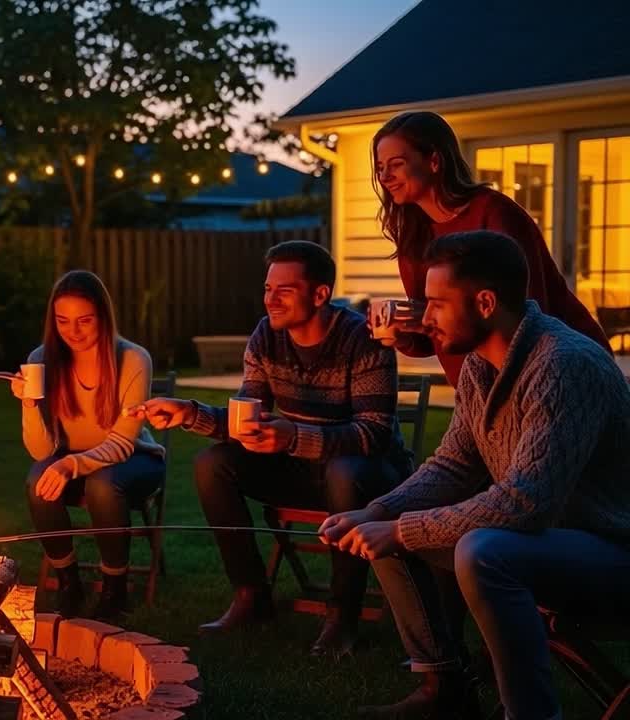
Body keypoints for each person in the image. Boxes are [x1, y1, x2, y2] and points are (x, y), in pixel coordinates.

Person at [322, 230, 630, 720]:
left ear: (485, 302)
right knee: (383, 529)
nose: (424, 318)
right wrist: (377, 511)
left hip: (611, 549)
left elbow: (525, 503)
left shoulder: (563, 364)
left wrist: (402, 528)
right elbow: (455, 464)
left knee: (482, 550)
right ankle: (441, 684)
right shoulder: (480, 366)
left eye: (437, 304)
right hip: (553, 540)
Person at [134, 241, 409, 657]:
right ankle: (251, 594)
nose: (270, 299)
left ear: (319, 294)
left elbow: (373, 436)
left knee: (344, 473)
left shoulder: (363, 341)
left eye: (284, 290)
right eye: (267, 288)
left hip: (368, 480)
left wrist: (294, 436)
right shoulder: (266, 337)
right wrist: (189, 412)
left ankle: (343, 615)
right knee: (214, 465)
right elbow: (248, 420)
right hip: (300, 470)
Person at [371, 110, 610, 385]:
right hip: (479, 388)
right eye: (380, 168)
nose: (385, 176)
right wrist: (405, 332)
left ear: (434, 160)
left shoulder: (495, 214)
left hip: (560, 370)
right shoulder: (414, 240)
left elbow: (529, 313)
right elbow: (440, 332)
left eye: (396, 163)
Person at [17, 270, 164, 620]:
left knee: (103, 484)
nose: (74, 331)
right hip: (70, 457)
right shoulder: (42, 359)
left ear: (103, 316)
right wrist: (28, 404)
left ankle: (115, 587)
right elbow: (41, 452)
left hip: (134, 459)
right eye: (63, 321)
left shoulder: (132, 359)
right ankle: (69, 581)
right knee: (38, 483)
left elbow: (123, 443)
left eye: (84, 320)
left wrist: (72, 465)